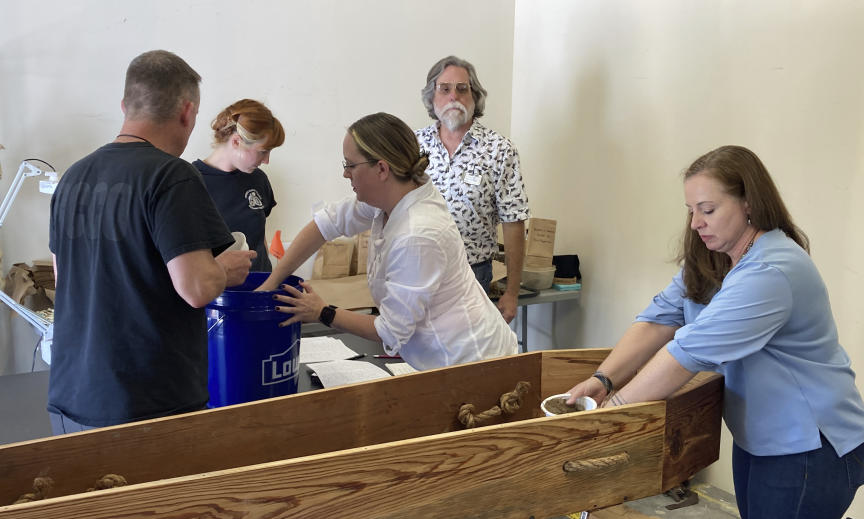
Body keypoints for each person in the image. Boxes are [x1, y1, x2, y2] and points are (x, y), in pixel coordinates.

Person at [566, 146, 864, 519]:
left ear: (749, 203)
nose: (696, 223)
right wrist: (603, 380)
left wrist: (611, 414)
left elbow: (686, 354)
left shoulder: (771, 270)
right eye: (691, 210)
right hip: (761, 438)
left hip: (811, 445)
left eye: (708, 210)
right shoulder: (714, 260)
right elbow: (658, 320)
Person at [47, 50, 255, 433]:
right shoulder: (171, 176)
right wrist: (225, 270)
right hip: (146, 406)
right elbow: (197, 288)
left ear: (125, 105)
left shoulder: (72, 178)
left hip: (69, 399)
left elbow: (64, 281)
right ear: (187, 112)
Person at [259, 112, 517, 372]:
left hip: (472, 362)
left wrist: (322, 312)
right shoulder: (390, 199)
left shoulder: (418, 234)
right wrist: (270, 284)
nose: (345, 174)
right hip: (447, 359)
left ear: (382, 169)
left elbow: (390, 333)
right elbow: (326, 224)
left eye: (350, 165)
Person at [417, 56, 529, 323]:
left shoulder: (499, 150)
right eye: (444, 89)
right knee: (418, 359)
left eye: (462, 88)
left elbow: (514, 222)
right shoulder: (413, 146)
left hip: (473, 275)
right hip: (418, 271)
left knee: (468, 359)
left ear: (475, 96)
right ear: (432, 97)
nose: (453, 96)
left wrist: (512, 292)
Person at [194, 99, 285, 271]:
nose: (266, 160)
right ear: (236, 141)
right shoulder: (191, 182)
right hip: (220, 292)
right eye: (263, 151)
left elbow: (259, 236)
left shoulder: (258, 179)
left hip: (260, 287)